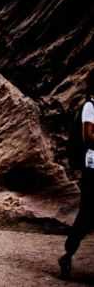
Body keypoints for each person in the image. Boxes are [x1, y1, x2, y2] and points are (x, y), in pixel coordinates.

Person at [59, 71, 94, 278]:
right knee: (86, 214)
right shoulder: (90, 106)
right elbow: (88, 135)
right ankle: (68, 254)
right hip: (92, 169)